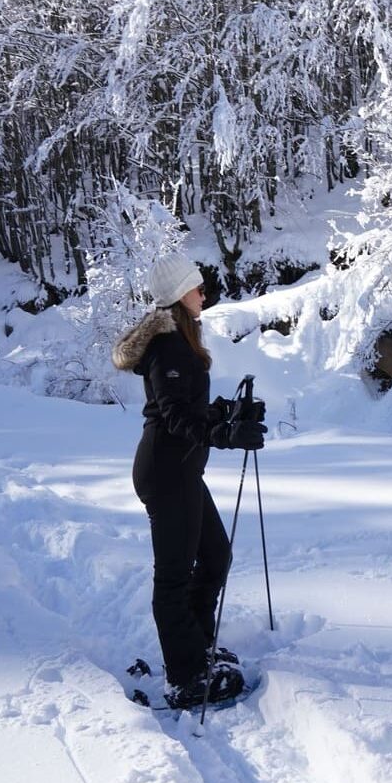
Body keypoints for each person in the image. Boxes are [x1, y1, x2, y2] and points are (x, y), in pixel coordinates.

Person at [113, 252, 266, 708]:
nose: (204, 292)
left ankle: (196, 647)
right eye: (197, 286)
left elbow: (185, 406)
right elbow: (177, 417)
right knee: (174, 577)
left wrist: (229, 413)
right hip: (166, 472)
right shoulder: (168, 348)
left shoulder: (180, 340)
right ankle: (184, 676)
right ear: (180, 295)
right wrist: (223, 433)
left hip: (181, 471)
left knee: (216, 555)